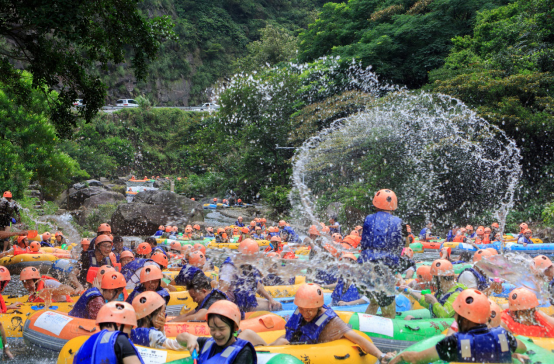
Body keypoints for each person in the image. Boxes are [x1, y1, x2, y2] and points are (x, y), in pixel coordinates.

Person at [390, 289, 528, 364]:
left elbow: (415, 359)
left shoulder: (453, 343)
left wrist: (400, 357)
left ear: (458, 317)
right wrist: (512, 352)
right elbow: (523, 348)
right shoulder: (504, 336)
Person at [268, 283, 394, 363]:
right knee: (250, 334)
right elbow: (290, 333)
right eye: (301, 309)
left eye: (309, 311)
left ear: (318, 307)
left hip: (301, 355)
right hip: (287, 348)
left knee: (282, 342)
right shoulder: (300, 312)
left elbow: (358, 339)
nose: (305, 314)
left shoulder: (332, 322)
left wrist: (380, 355)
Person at [358, 189, 404, 318]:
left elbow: (364, 243)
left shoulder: (368, 218)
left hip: (367, 266)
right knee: (388, 305)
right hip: (385, 268)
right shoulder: (397, 221)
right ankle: (390, 333)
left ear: (375, 203)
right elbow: (398, 246)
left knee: (374, 302)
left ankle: (365, 326)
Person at [174, 301, 257, 364]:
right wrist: (190, 339)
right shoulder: (208, 344)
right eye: (213, 329)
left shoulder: (244, 352)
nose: (216, 334)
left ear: (234, 327)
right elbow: (180, 337)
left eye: (221, 329)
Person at [219, 239, 282, 313]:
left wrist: (270, 299)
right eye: (253, 257)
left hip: (245, 300)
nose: (255, 259)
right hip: (234, 304)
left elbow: (256, 284)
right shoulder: (229, 266)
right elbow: (222, 291)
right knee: (276, 308)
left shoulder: (249, 264)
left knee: (276, 305)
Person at [73, 301, 144, 364]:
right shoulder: (120, 340)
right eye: (130, 327)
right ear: (118, 324)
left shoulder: (87, 343)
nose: (129, 333)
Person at [401, 259, 466, 319]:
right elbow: (427, 303)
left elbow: (444, 315)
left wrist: (433, 301)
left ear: (441, 278)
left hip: (450, 327)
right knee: (409, 317)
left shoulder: (458, 294)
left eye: (434, 278)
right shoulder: (442, 291)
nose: (432, 281)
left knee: (408, 318)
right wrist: (410, 291)